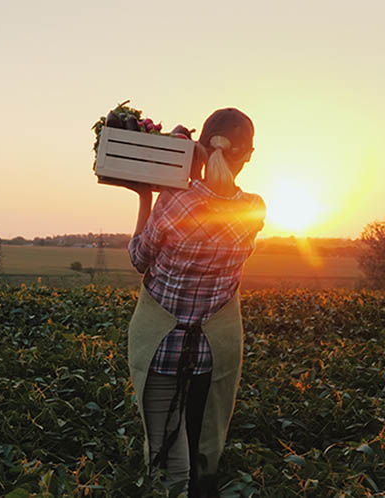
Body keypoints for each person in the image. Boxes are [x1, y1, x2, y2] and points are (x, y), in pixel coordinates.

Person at [121, 108, 265, 497]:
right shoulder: (254, 210)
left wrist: (146, 195)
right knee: (204, 454)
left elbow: (138, 259)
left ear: (201, 145)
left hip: (161, 348)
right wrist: (198, 162)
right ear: (248, 155)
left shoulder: (173, 201)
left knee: (167, 460)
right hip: (212, 354)